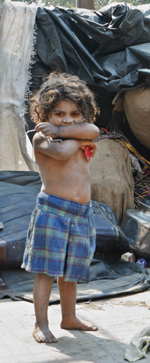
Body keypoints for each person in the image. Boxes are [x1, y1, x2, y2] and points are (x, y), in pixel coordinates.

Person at [22, 71, 100, 343]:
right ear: (44, 114)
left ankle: (69, 317)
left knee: (71, 271)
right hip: (52, 212)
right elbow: (63, 152)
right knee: (46, 271)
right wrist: (67, 134)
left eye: (75, 114)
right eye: (58, 114)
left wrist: (65, 130)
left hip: (81, 213)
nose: (67, 119)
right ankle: (40, 324)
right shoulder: (41, 138)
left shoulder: (77, 132)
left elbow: (95, 130)